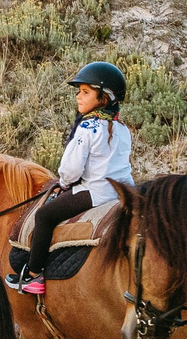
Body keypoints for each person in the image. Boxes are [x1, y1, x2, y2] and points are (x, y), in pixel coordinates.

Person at [11, 60, 132, 296]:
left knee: (44, 215)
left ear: (103, 98)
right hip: (122, 191)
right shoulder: (122, 128)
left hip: (96, 193)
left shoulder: (88, 128)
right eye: (79, 91)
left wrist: (63, 184)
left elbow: (70, 169)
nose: (79, 96)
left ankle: (34, 275)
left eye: (86, 92)